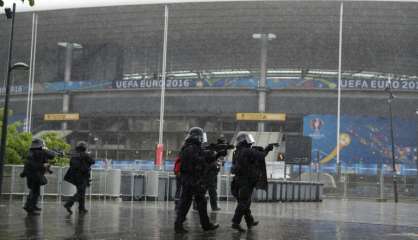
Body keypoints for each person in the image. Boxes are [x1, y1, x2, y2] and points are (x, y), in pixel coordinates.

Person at [174, 127, 219, 234]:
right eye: (200, 137)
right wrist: (211, 156)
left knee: (197, 201)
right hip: (191, 179)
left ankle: (204, 225)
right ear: (197, 137)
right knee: (188, 202)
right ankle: (180, 225)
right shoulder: (191, 148)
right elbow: (198, 161)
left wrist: (215, 155)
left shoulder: (191, 147)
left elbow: (202, 159)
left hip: (192, 179)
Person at [230, 132, 274, 232]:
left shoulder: (237, 152)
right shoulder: (247, 151)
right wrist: (267, 149)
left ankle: (249, 221)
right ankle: (235, 223)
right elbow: (261, 156)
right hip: (246, 181)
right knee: (244, 202)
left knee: (245, 202)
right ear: (244, 140)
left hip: (238, 180)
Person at [21, 138, 57, 215]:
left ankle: (31, 206)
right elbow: (52, 155)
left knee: (34, 191)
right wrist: (43, 165)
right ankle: (30, 208)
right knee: (35, 192)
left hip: (31, 174)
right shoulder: (39, 152)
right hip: (35, 174)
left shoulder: (32, 152)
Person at [64, 141, 95, 214]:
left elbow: (71, 164)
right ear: (84, 148)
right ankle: (68, 204)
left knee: (81, 192)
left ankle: (81, 208)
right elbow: (93, 161)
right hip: (83, 176)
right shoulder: (86, 155)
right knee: (80, 192)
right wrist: (88, 155)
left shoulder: (75, 155)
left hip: (75, 177)